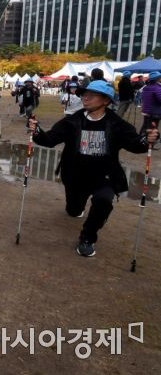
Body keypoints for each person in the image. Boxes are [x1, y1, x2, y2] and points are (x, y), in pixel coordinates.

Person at [28, 80, 159, 257]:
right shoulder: (72, 121)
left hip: (104, 176)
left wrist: (147, 140)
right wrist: (36, 131)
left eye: (92, 95)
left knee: (104, 201)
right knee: (73, 210)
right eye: (84, 94)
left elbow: (136, 144)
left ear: (105, 100)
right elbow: (49, 139)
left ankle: (87, 238)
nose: (85, 97)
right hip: (75, 175)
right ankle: (75, 207)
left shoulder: (116, 124)